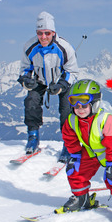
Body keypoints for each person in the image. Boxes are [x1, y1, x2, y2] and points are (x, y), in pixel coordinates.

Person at [57, 79, 112, 222]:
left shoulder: (106, 119)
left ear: (95, 103)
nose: (79, 108)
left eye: (84, 103)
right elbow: (69, 137)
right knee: (75, 171)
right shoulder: (72, 120)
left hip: (111, 153)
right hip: (90, 152)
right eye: (74, 102)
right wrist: (75, 154)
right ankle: (82, 198)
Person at [17, 11, 79, 162]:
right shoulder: (29, 47)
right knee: (31, 101)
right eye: (40, 33)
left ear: (53, 32)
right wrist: (26, 80)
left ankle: (68, 143)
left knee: (67, 108)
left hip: (61, 81)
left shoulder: (65, 47)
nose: (43, 37)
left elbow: (72, 71)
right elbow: (25, 68)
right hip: (40, 79)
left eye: (47, 33)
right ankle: (33, 136)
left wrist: (61, 85)